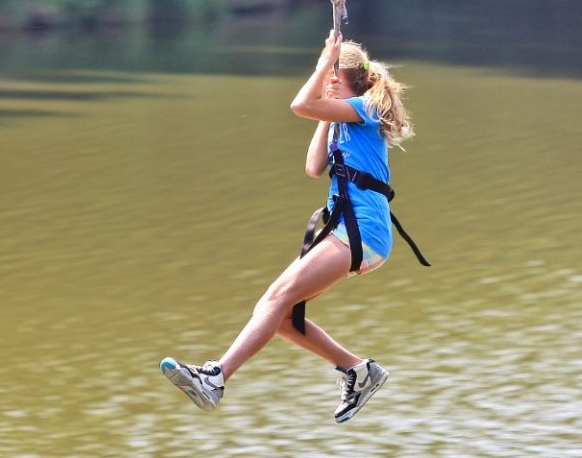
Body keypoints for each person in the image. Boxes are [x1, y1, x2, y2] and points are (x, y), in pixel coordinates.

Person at [160, 31, 417, 423]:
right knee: (278, 315)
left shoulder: (364, 108)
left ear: (338, 76)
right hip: (350, 230)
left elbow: (300, 104)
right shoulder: (342, 118)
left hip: (362, 229)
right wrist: (325, 114)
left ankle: (215, 376)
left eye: (328, 73)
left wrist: (321, 74)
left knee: (275, 299)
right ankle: (359, 371)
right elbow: (314, 167)